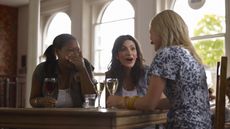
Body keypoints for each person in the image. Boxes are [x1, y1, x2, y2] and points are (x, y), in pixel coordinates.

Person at [107, 10, 211, 129]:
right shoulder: (191, 56)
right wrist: (144, 101)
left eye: (151, 32)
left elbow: (149, 104)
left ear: (162, 32)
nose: (150, 40)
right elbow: (177, 101)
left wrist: (120, 101)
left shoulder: (166, 54)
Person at [30, 33, 95, 108]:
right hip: (50, 117)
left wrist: (82, 70)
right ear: (58, 52)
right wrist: (41, 101)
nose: (75, 54)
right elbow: (32, 100)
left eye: (77, 50)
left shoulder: (85, 65)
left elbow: (91, 100)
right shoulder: (42, 69)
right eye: (70, 50)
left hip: (78, 117)